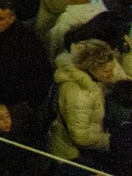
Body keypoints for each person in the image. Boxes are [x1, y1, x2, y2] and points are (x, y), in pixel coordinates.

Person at [48, 37, 117, 168]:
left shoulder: (92, 81)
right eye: (106, 71)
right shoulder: (79, 95)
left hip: (88, 146)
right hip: (72, 155)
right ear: (90, 68)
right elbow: (80, 137)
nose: (111, 75)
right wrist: (109, 140)